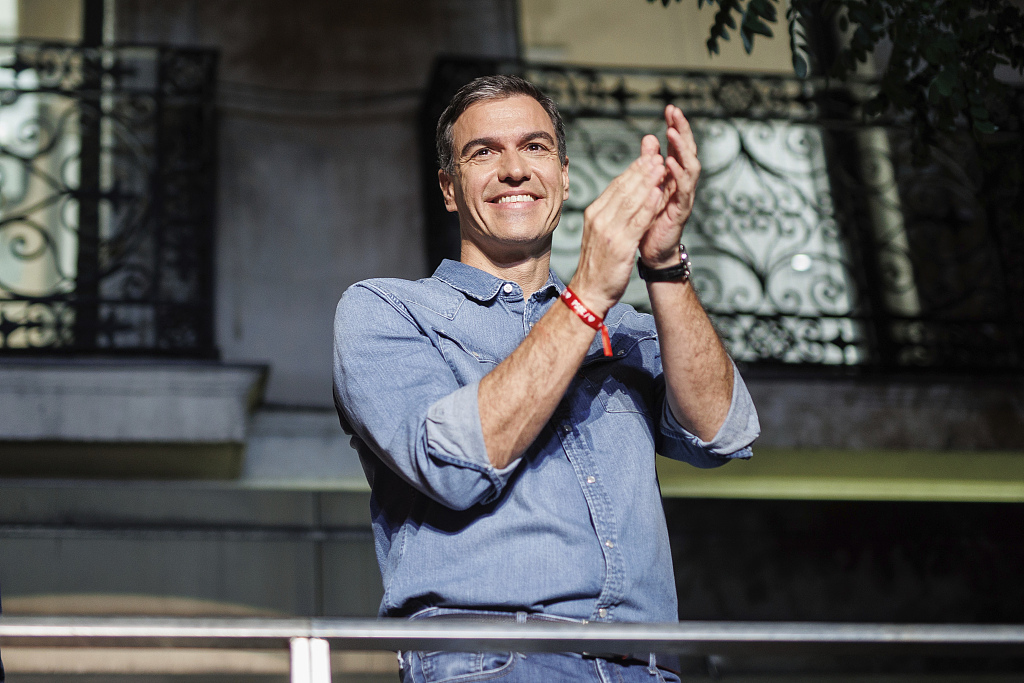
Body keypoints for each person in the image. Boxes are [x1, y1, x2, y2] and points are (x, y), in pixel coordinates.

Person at [333, 75, 759, 683]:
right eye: (484, 152)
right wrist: (587, 296)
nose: (514, 170)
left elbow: (723, 432)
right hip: (495, 661)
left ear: (563, 175)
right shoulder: (387, 311)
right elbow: (454, 468)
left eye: (534, 147)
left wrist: (663, 263)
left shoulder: (626, 325)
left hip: (646, 667)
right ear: (449, 189)